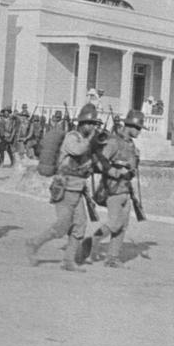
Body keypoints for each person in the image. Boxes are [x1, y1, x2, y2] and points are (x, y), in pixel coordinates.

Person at [24, 102, 102, 272]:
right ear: (81, 123)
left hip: (78, 190)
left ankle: (69, 261)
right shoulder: (72, 137)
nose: (92, 127)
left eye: (94, 124)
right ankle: (33, 244)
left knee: (80, 224)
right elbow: (77, 151)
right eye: (89, 123)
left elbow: (89, 164)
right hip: (65, 188)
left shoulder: (87, 142)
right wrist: (90, 140)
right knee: (62, 226)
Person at [88, 109, 142, 268]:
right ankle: (92, 241)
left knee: (123, 225)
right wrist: (115, 171)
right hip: (113, 189)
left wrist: (136, 160)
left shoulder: (131, 145)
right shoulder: (113, 142)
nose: (139, 132)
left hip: (126, 190)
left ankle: (112, 258)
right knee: (114, 224)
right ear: (130, 125)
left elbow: (132, 168)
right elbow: (100, 163)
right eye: (138, 128)